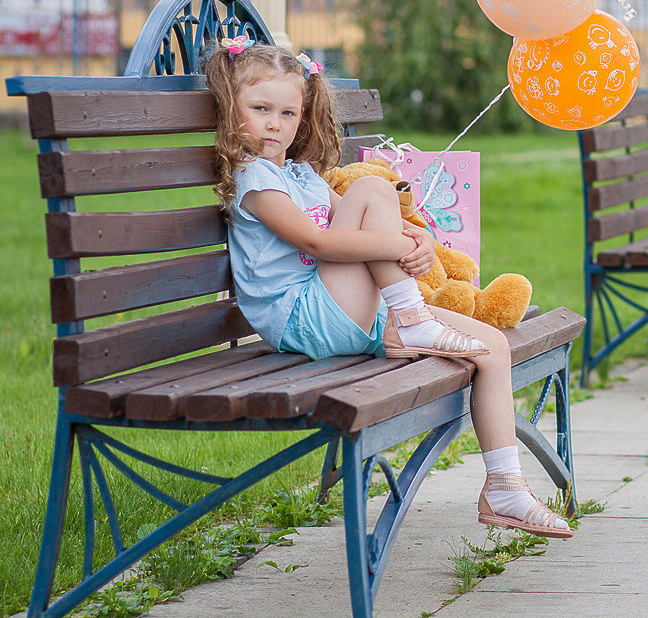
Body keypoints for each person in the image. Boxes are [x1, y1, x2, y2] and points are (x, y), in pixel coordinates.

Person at [204, 36, 571, 539]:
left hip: (351, 310)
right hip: (304, 317)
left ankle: (504, 488)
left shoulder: (301, 176)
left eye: (288, 113)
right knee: (374, 186)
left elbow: (353, 225)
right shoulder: (254, 180)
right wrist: (395, 245)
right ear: (232, 109)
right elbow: (319, 241)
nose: (275, 123)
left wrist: (415, 235)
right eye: (260, 108)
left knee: (493, 346)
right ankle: (412, 320)